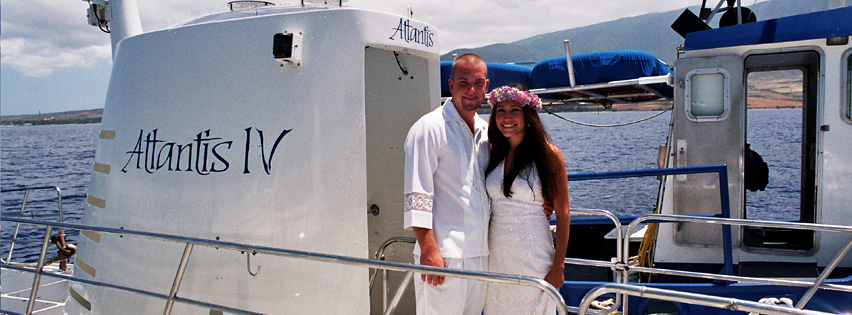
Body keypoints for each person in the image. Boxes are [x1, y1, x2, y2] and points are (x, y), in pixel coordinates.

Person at [403, 53, 491, 314]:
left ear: (486, 86)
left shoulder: (486, 131)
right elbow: (417, 193)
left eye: (477, 83)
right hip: (443, 256)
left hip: (480, 254)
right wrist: (429, 251)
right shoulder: (429, 128)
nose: (471, 90)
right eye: (463, 83)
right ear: (451, 85)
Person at [482, 84, 571, 315]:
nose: (507, 117)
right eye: (500, 110)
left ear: (529, 115)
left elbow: (563, 213)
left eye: (515, 110)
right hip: (497, 252)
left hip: (533, 250)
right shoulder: (494, 152)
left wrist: (558, 266)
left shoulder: (548, 154)